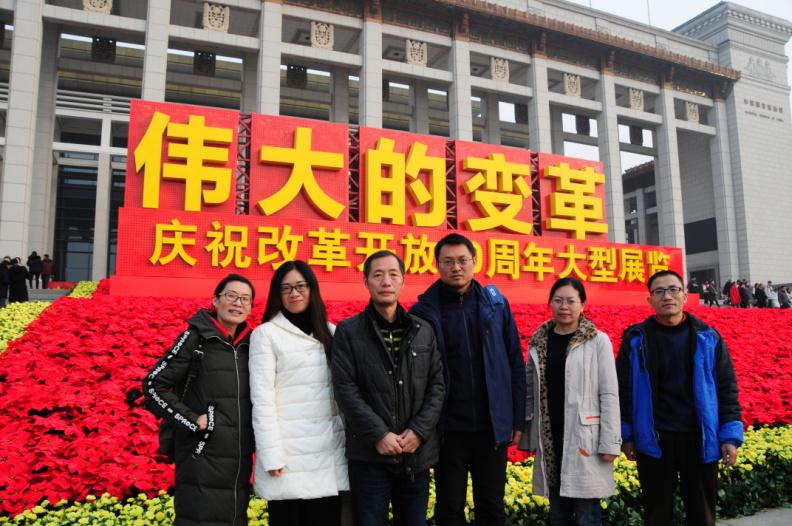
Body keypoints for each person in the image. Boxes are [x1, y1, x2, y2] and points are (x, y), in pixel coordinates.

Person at [410, 233, 526, 526]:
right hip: (448, 429)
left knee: (491, 507)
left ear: (475, 261)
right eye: (448, 261)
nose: (456, 267)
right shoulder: (423, 312)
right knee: (449, 509)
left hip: (491, 427)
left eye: (462, 260)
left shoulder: (495, 305)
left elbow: (514, 361)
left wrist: (516, 418)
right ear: (437, 265)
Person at [616, 270, 743, 526]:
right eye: (659, 291)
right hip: (654, 438)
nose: (667, 296)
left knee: (702, 513)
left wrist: (730, 436)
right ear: (650, 300)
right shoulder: (635, 340)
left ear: (684, 296)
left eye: (674, 289)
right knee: (657, 513)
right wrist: (626, 434)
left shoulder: (708, 337)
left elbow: (726, 387)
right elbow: (623, 390)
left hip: (699, 437)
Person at [331, 250, 445, 526]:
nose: (386, 281)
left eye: (393, 274)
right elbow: (345, 389)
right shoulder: (349, 331)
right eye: (378, 275)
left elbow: (437, 386)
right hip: (369, 457)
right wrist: (379, 434)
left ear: (403, 281)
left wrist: (418, 431)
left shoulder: (423, 330)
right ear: (366, 281)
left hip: (414, 457)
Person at [143, 274, 256, 525]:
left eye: (245, 299)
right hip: (200, 458)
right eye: (231, 296)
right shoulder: (195, 338)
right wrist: (193, 421)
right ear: (215, 300)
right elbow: (153, 385)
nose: (238, 303)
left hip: (238, 461)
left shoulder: (252, 344)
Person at [249, 260, 348, 525]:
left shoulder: (331, 331)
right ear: (277, 294)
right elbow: (262, 399)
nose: (294, 293)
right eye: (286, 288)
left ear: (312, 289)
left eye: (301, 286)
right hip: (288, 456)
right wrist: (271, 455)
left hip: (328, 452)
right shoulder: (266, 334)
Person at [520, 277, 620, 526]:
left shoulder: (597, 341)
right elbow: (529, 390)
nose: (564, 306)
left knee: (587, 515)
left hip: (584, 437)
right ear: (550, 303)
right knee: (558, 514)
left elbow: (609, 393)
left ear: (582, 304)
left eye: (571, 301)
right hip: (551, 438)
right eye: (558, 300)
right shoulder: (539, 341)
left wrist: (610, 442)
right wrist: (527, 433)